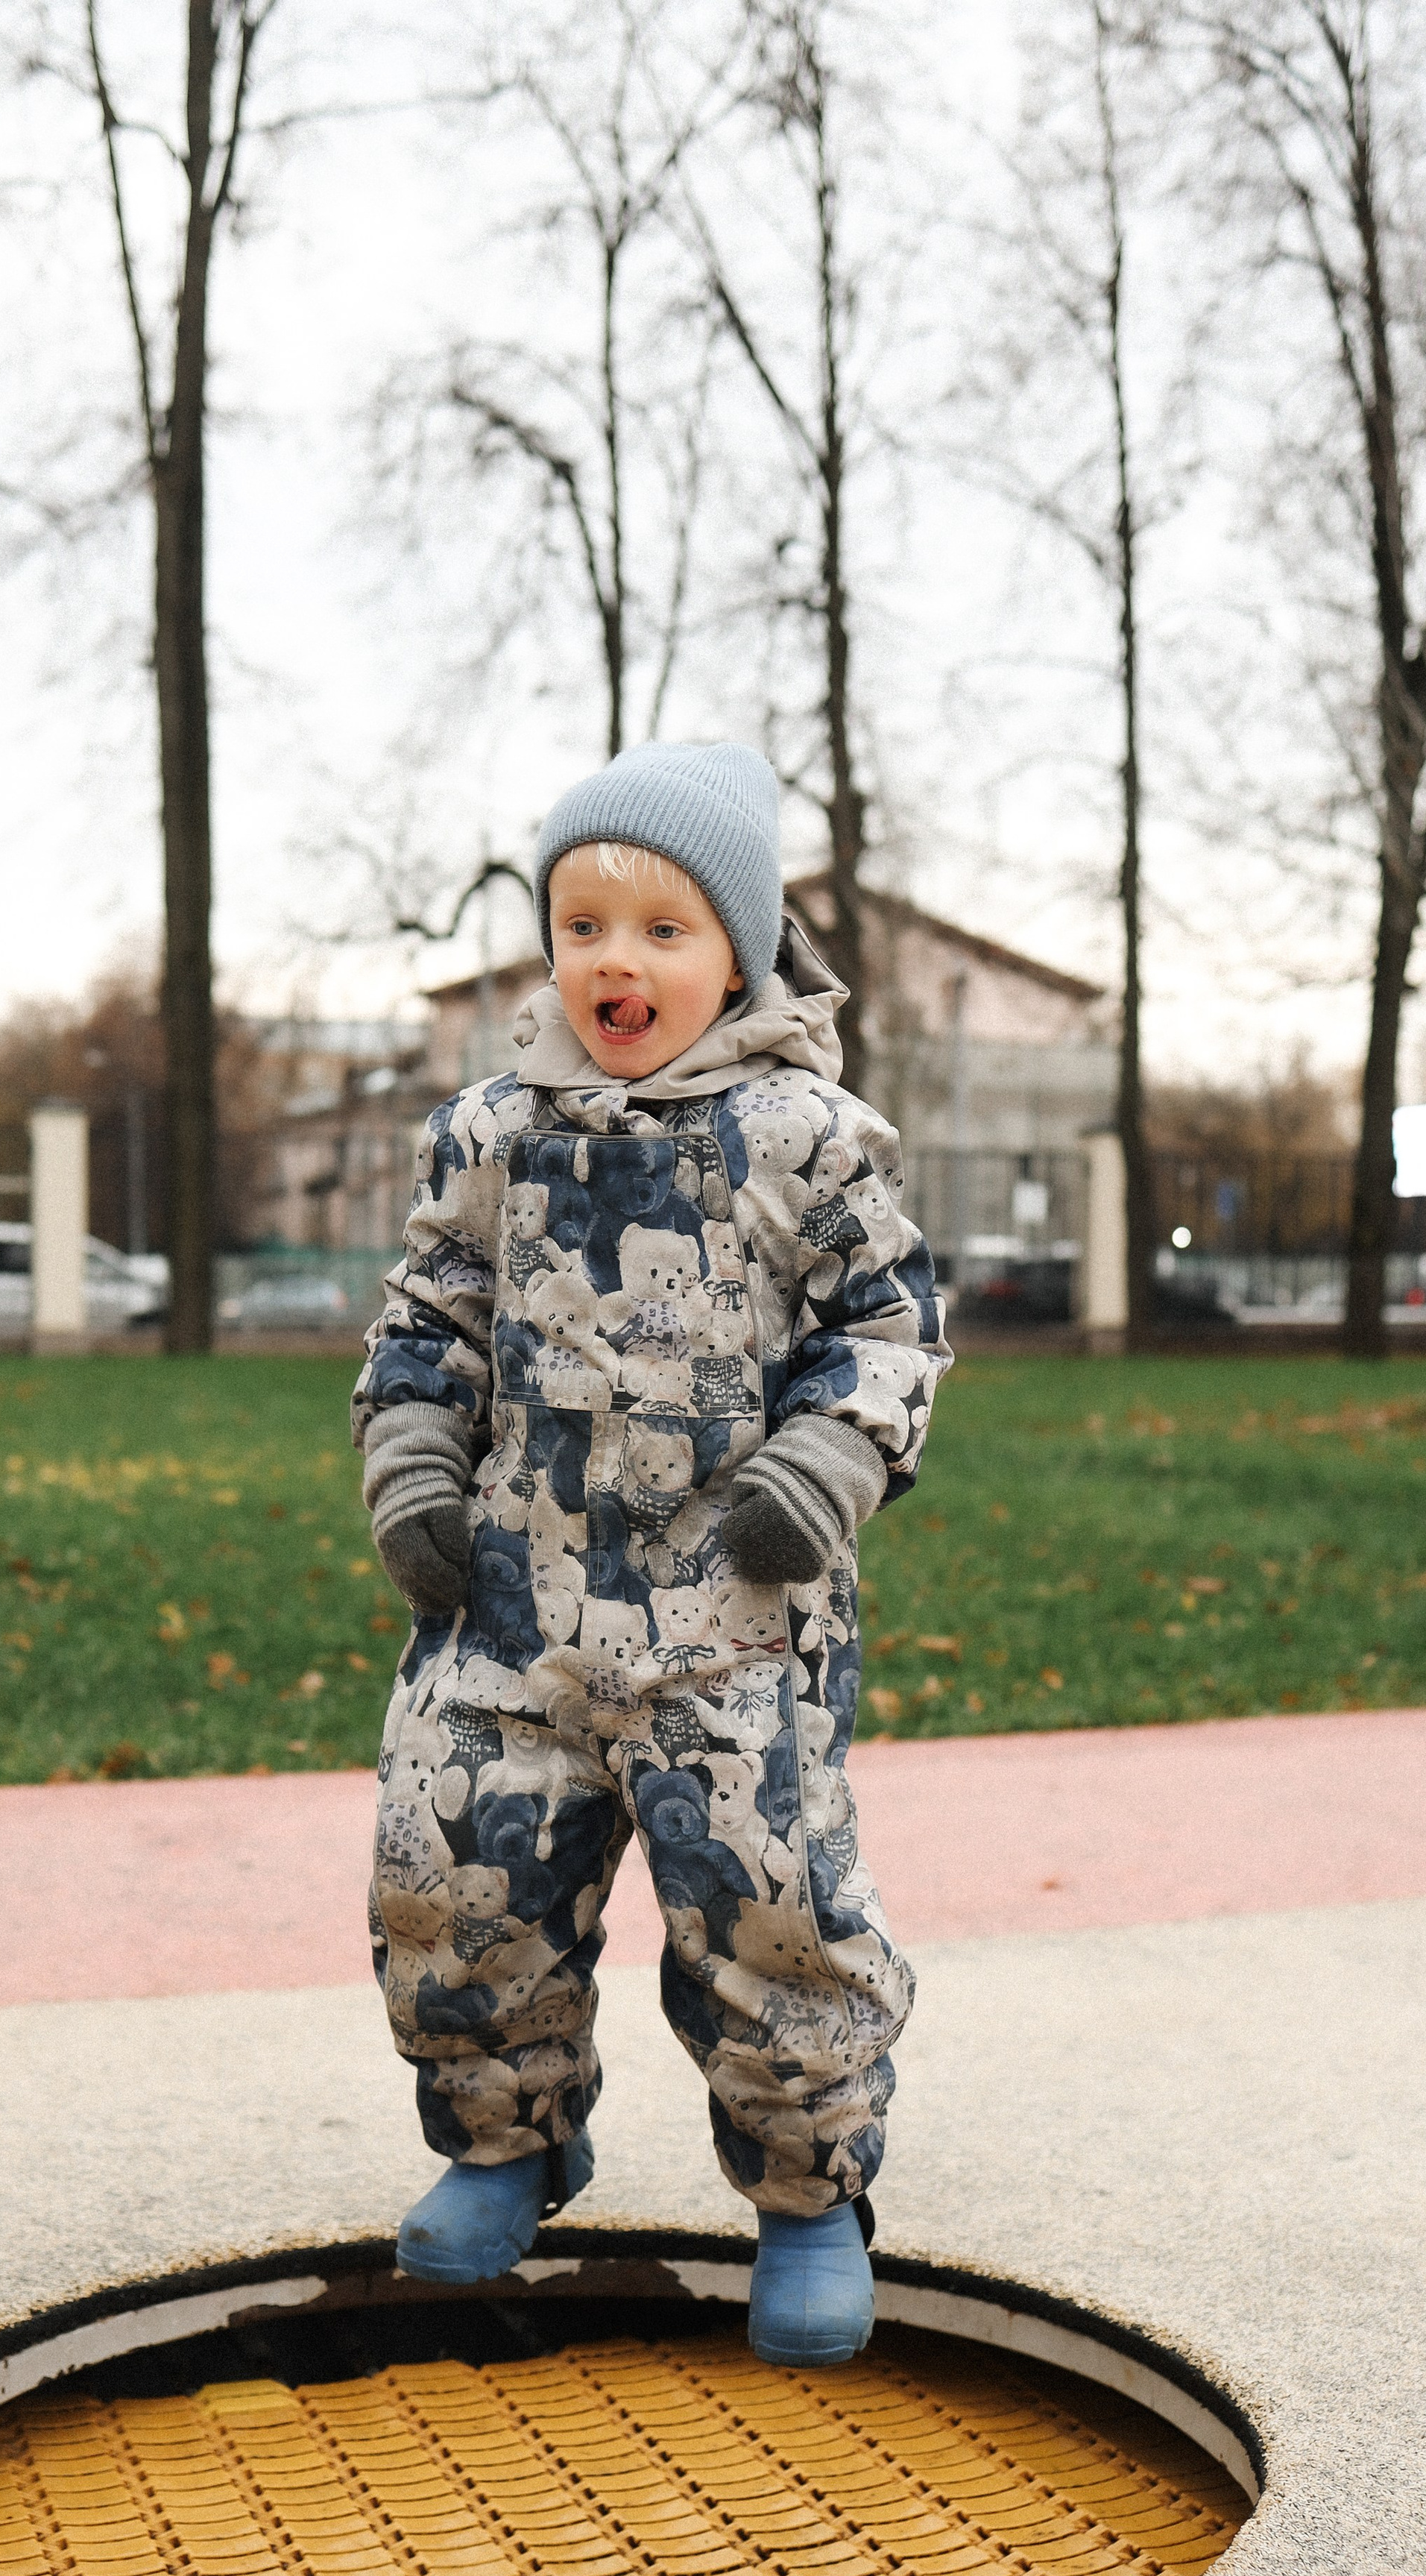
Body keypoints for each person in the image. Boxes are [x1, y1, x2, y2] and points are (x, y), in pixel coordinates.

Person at [353, 740, 951, 2366]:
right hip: (506, 1612)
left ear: (738, 953)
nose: (615, 960)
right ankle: (508, 2142)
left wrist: (821, 1461)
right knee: (447, 1873)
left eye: (662, 929)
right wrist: (414, 1464)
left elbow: (885, 1328)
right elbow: (431, 1318)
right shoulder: (488, 1131)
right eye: (581, 923)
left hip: (731, 1621)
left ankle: (807, 2195)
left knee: (772, 1903)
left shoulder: (806, 1139)